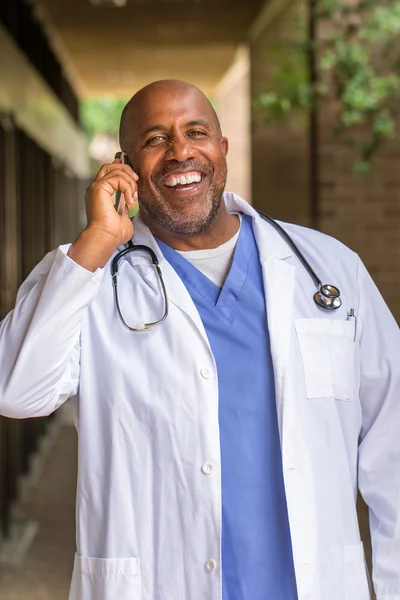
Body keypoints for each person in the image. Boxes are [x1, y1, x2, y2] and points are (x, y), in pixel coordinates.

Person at [0, 79, 399, 600]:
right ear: (125, 167)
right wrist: (95, 241)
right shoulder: (87, 279)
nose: (180, 151)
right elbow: (15, 391)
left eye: (195, 132)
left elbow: (392, 446)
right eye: (154, 139)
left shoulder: (328, 269)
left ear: (222, 148)